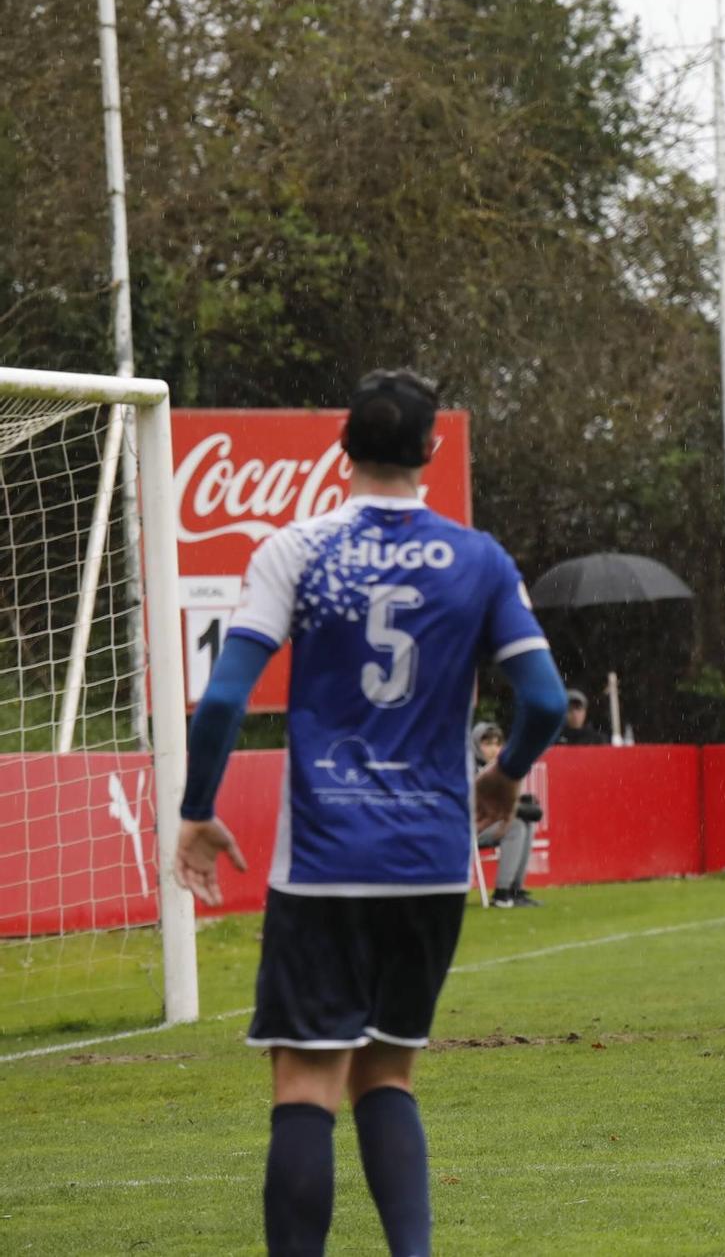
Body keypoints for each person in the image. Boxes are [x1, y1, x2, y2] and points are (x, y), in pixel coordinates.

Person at [170, 370, 569, 1257]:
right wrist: (503, 776)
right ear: (431, 452)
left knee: (306, 1079)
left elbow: (223, 699)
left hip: (322, 858)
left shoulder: (295, 550)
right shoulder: (479, 558)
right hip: (428, 859)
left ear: (341, 447)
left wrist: (198, 808)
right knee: (388, 1070)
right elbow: (542, 697)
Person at [473, 723, 544, 908]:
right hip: (467, 831)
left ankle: (515, 890)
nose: (493, 749)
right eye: (487, 743)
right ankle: (502, 894)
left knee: (525, 823)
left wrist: (523, 805)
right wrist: (519, 809)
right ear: (475, 744)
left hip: (488, 827)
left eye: (497, 743)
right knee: (516, 825)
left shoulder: (500, 773)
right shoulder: (468, 768)